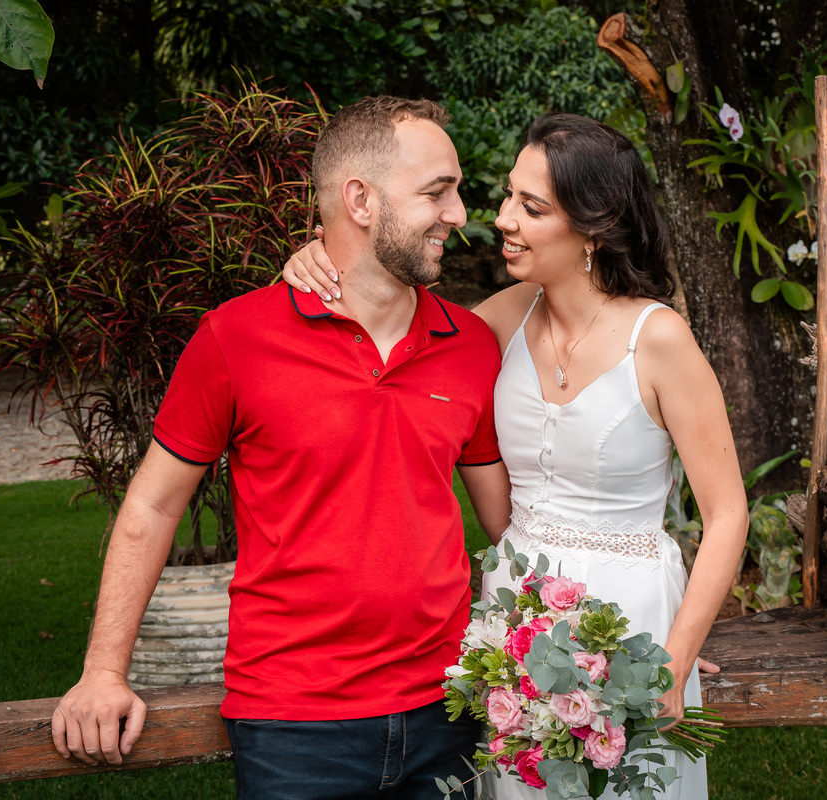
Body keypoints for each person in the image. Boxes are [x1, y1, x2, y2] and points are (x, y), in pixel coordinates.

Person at [51, 96, 513, 800]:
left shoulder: (472, 345)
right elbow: (152, 504)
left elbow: (511, 521)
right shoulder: (236, 339)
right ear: (359, 199)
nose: (458, 212)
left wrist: (637, 615)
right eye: (438, 192)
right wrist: (104, 672)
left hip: (449, 705)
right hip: (295, 726)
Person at [284, 113, 749, 799]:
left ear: (595, 225)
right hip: (516, 615)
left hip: (633, 611)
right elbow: (384, 312)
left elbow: (728, 511)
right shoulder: (499, 321)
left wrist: (674, 655)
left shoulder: (659, 340)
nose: (501, 218)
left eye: (531, 207)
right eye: (508, 197)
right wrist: (313, 256)